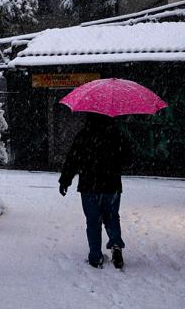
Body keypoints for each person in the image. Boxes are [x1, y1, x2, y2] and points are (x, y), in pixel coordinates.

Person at [59, 113, 132, 269]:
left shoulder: (84, 135)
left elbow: (73, 159)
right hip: (112, 184)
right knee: (112, 216)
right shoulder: (116, 133)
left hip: (89, 185)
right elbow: (128, 159)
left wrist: (65, 180)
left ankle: (95, 256)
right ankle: (116, 245)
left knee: (93, 220)